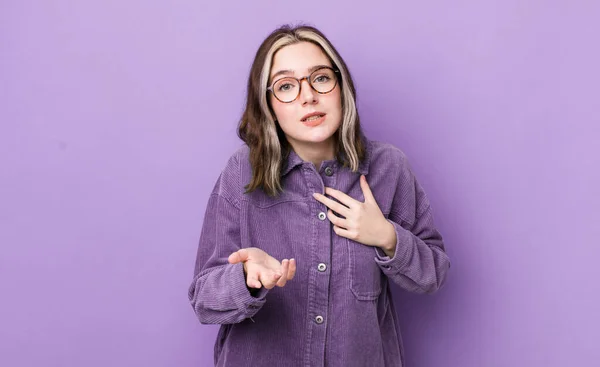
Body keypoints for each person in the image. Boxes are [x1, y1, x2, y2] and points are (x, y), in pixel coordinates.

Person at [188, 24, 451, 367]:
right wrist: (246, 279)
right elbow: (204, 300)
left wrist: (387, 237)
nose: (308, 96)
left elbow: (433, 273)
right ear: (268, 106)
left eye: (321, 79)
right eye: (286, 86)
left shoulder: (389, 169)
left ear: (341, 87)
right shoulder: (242, 173)